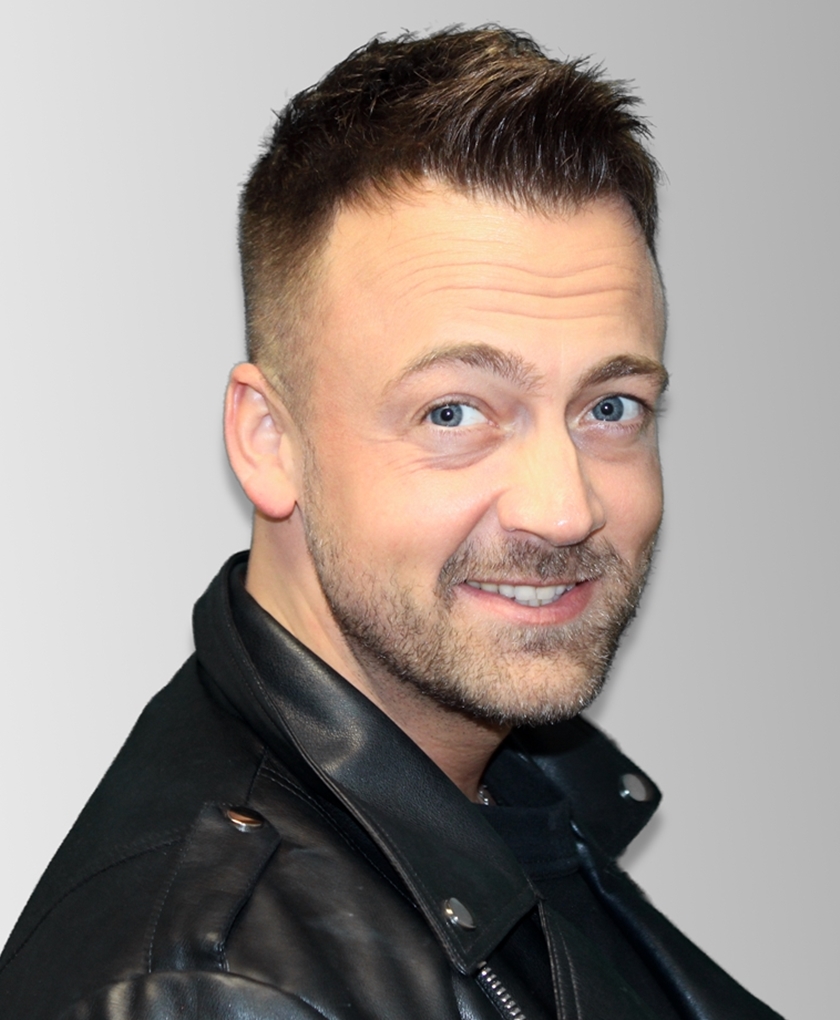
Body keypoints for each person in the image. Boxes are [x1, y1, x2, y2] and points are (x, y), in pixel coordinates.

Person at [0, 26, 783, 1020]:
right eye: (454, 412)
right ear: (269, 441)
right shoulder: (209, 991)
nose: (565, 508)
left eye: (610, 406)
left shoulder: (510, 796)